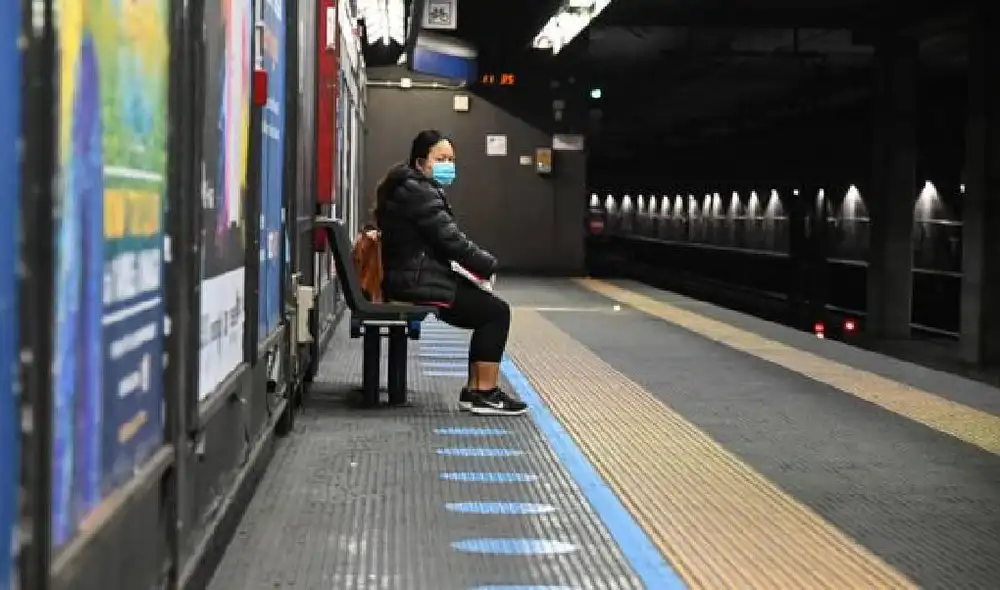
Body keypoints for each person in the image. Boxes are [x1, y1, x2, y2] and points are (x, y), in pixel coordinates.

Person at [374, 130, 527, 416]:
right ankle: (483, 392)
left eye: (451, 159)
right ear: (421, 163)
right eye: (441, 158)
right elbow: (451, 240)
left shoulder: (412, 187)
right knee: (495, 313)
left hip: (412, 276)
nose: (448, 165)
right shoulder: (419, 192)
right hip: (415, 282)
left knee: (489, 308)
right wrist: (487, 264)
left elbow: (441, 241)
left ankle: (477, 391)